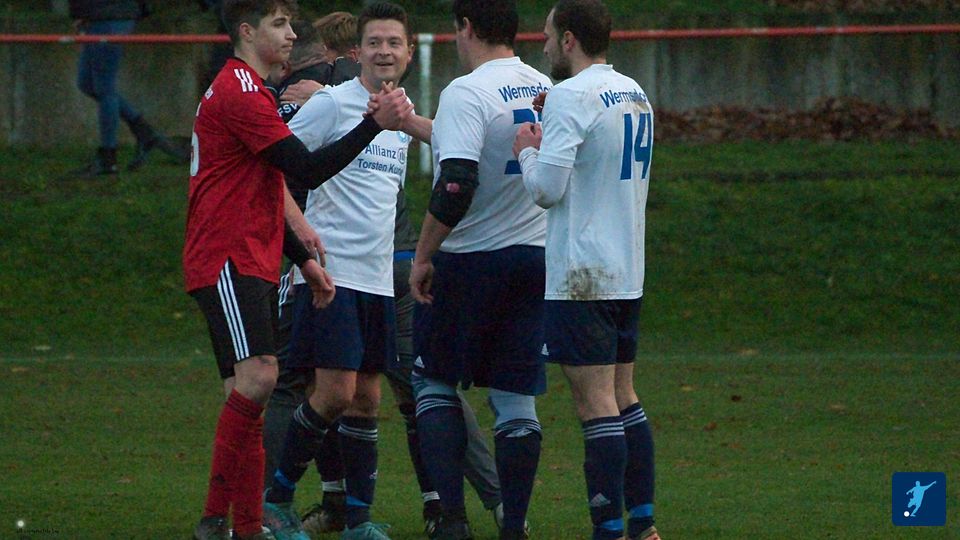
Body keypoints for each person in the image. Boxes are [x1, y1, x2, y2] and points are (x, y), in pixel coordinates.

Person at [183, 0, 412, 538]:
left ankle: (249, 522)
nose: (292, 35)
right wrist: (371, 126)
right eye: (279, 24)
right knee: (264, 377)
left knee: (254, 391)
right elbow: (304, 169)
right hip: (227, 253)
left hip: (259, 254)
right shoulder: (242, 90)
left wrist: (303, 258)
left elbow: (263, 185)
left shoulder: (256, 91)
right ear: (247, 31)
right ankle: (223, 517)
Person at [261, 4, 418, 539]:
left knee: (368, 400)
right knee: (332, 394)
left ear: (409, 52)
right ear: (358, 52)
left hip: (377, 279)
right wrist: (301, 233)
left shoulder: (402, 117)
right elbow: (273, 169)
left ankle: (358, 521)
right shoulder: (331, 103)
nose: (384, 52)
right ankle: (276, 501)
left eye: (393, 43)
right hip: (333, 276)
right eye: (374, 42)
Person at [511, 2, 659, 539]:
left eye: (549, 35)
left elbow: (546, 191)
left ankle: (609, 531)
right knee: (624, 397)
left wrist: (529, 150)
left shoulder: (571, 96)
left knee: (595, 405)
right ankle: (643, 526)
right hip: (626, 270)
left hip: (581, 276)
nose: (545, 44)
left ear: (569, 39)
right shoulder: (633, 91)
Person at [408, 1, 553, 538]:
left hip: (470, 260)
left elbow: (457, 182)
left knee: (434, 382)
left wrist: (424, 255)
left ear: (465, 27)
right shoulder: (543, 86)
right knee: (515, 397)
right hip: (535, 258)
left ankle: (451, 519)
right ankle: (513, 526)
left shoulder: (466, 91)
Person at [69, 0, 185, 175]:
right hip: (101, 15)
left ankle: (108, 157)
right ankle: (145, 133)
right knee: (87, 83)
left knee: (104, 87)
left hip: (110, 16)